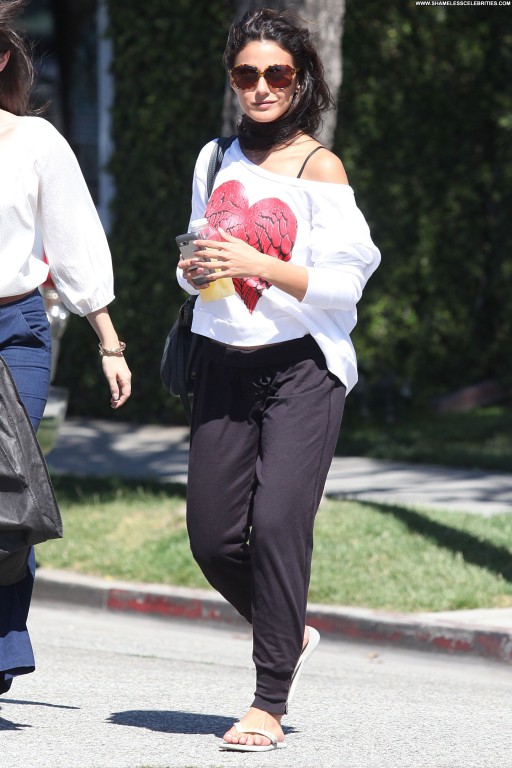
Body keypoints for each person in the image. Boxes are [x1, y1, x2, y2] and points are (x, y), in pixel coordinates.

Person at [177, 7, 380, 752]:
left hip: (301, 369)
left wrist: (257, 263)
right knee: (211, 537)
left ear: (301, 80)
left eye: (277, 73)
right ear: (232, 80)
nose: (261, 87)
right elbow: (195, 257)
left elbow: (345, 285)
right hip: (222, 362)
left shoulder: (318, 166)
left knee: (279, 527)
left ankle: (267, 701)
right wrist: (194, 268)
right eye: (246, 74)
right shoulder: (214, 158)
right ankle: (288, 630)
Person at [0, 0, 131, 695]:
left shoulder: (36, 143)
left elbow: (75, 239)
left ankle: (2, 644)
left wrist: (110, 342)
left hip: (14, 330)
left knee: (8, 488)